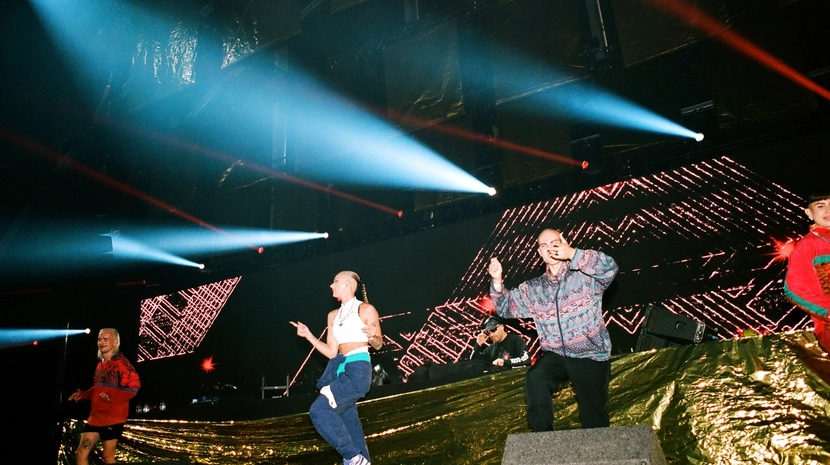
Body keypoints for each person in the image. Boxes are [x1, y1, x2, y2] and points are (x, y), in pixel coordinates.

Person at [488, 228, 618, 432]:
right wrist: (497, 281)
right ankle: (543, 443)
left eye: (554, 242)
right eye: (543, 245)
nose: (549, 248)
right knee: (535, 377)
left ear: (564, 242)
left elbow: (610, 268)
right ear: (539, 253)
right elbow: (505, 307)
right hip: (556, 354)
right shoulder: (534, 288)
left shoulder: (585, 277)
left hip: (591, 354)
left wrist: (574, 254)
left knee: (594, 416)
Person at [291, 271, 382, 465]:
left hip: (358, 369)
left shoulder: (365, 309)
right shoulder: (333, 315)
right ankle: (362, 460)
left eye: (335, 282)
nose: (331, 286)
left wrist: (373, 335)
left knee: (319, 411)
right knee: (350, 423)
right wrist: (308, 335)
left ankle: (351, 456)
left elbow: (378, 344)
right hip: (339, 370)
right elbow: (332, 352)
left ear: (348, 284)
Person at [68, 328, 141, 465]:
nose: (101, 342)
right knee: (81, 454)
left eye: (105, 339)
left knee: (108, 458)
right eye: (99, 339)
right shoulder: (100, 365)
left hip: (113, 418)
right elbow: (98, 389)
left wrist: (112, 397)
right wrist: (83, 394)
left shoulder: (122, 363)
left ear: (116, 342)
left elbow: (134, 387)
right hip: (95, 417)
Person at [785, 192, 830, 352]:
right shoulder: (807, 246)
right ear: (809, 213)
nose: (828, 210)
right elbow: (793, 290)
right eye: (820, 206)